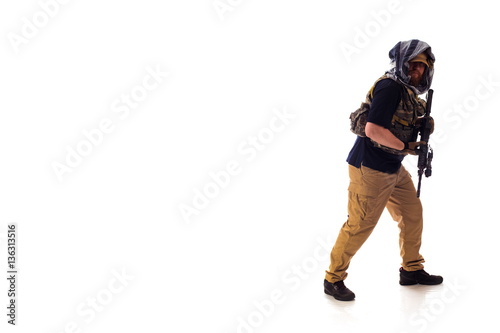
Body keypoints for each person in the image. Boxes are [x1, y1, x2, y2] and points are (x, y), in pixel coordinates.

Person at [324, 39, 443, 301]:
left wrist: (422, 125)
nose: (417, 70)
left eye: (422, 66)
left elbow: (398, 122)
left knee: (412, 213)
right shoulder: (389, 87)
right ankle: (333, 278)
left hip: (392, 167)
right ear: (401, 63)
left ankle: (411, 270)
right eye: (412, 64)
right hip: (370, 167)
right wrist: (407, 145)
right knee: (360, 225)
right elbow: (373, 130)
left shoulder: (408, 92)